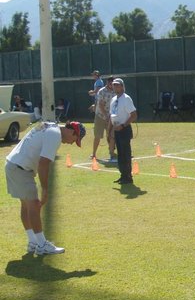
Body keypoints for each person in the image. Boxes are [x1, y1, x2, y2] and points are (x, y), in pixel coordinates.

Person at [5, 121, 86, 255]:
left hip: (13, 164)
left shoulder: (50, 126)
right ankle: (41, 245)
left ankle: (33, 242)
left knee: (26, 205)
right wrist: (45, 189)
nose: (72, 143)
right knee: (34, 205)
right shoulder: (54, 136)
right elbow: (44, 163)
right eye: (75, 139)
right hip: (21, 169)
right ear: (72, 132)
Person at [110, 78, 137, 185]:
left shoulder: (126, 99)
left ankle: (128, 177)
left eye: (117, 85)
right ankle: (122, 175)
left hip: (124, 129)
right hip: (116, 129)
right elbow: (112, 115)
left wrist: (123, 125)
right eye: (114, 85)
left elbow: (134, 115)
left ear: (122, 86)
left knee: (126, 153)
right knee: (120, 154)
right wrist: (111, 129)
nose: (115, 87)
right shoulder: (113, 100)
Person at [92, 76, 116, 161]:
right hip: (100, 116)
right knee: (97, 135)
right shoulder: (102, 91)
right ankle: (94, 154)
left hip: (111, 117)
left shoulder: (116, 91)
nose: (111, 84)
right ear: (107, 82)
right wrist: (106, 115)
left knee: (111, 136)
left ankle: (112, 153)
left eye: (113, 83)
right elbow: (101, 105)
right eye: (110, 82)